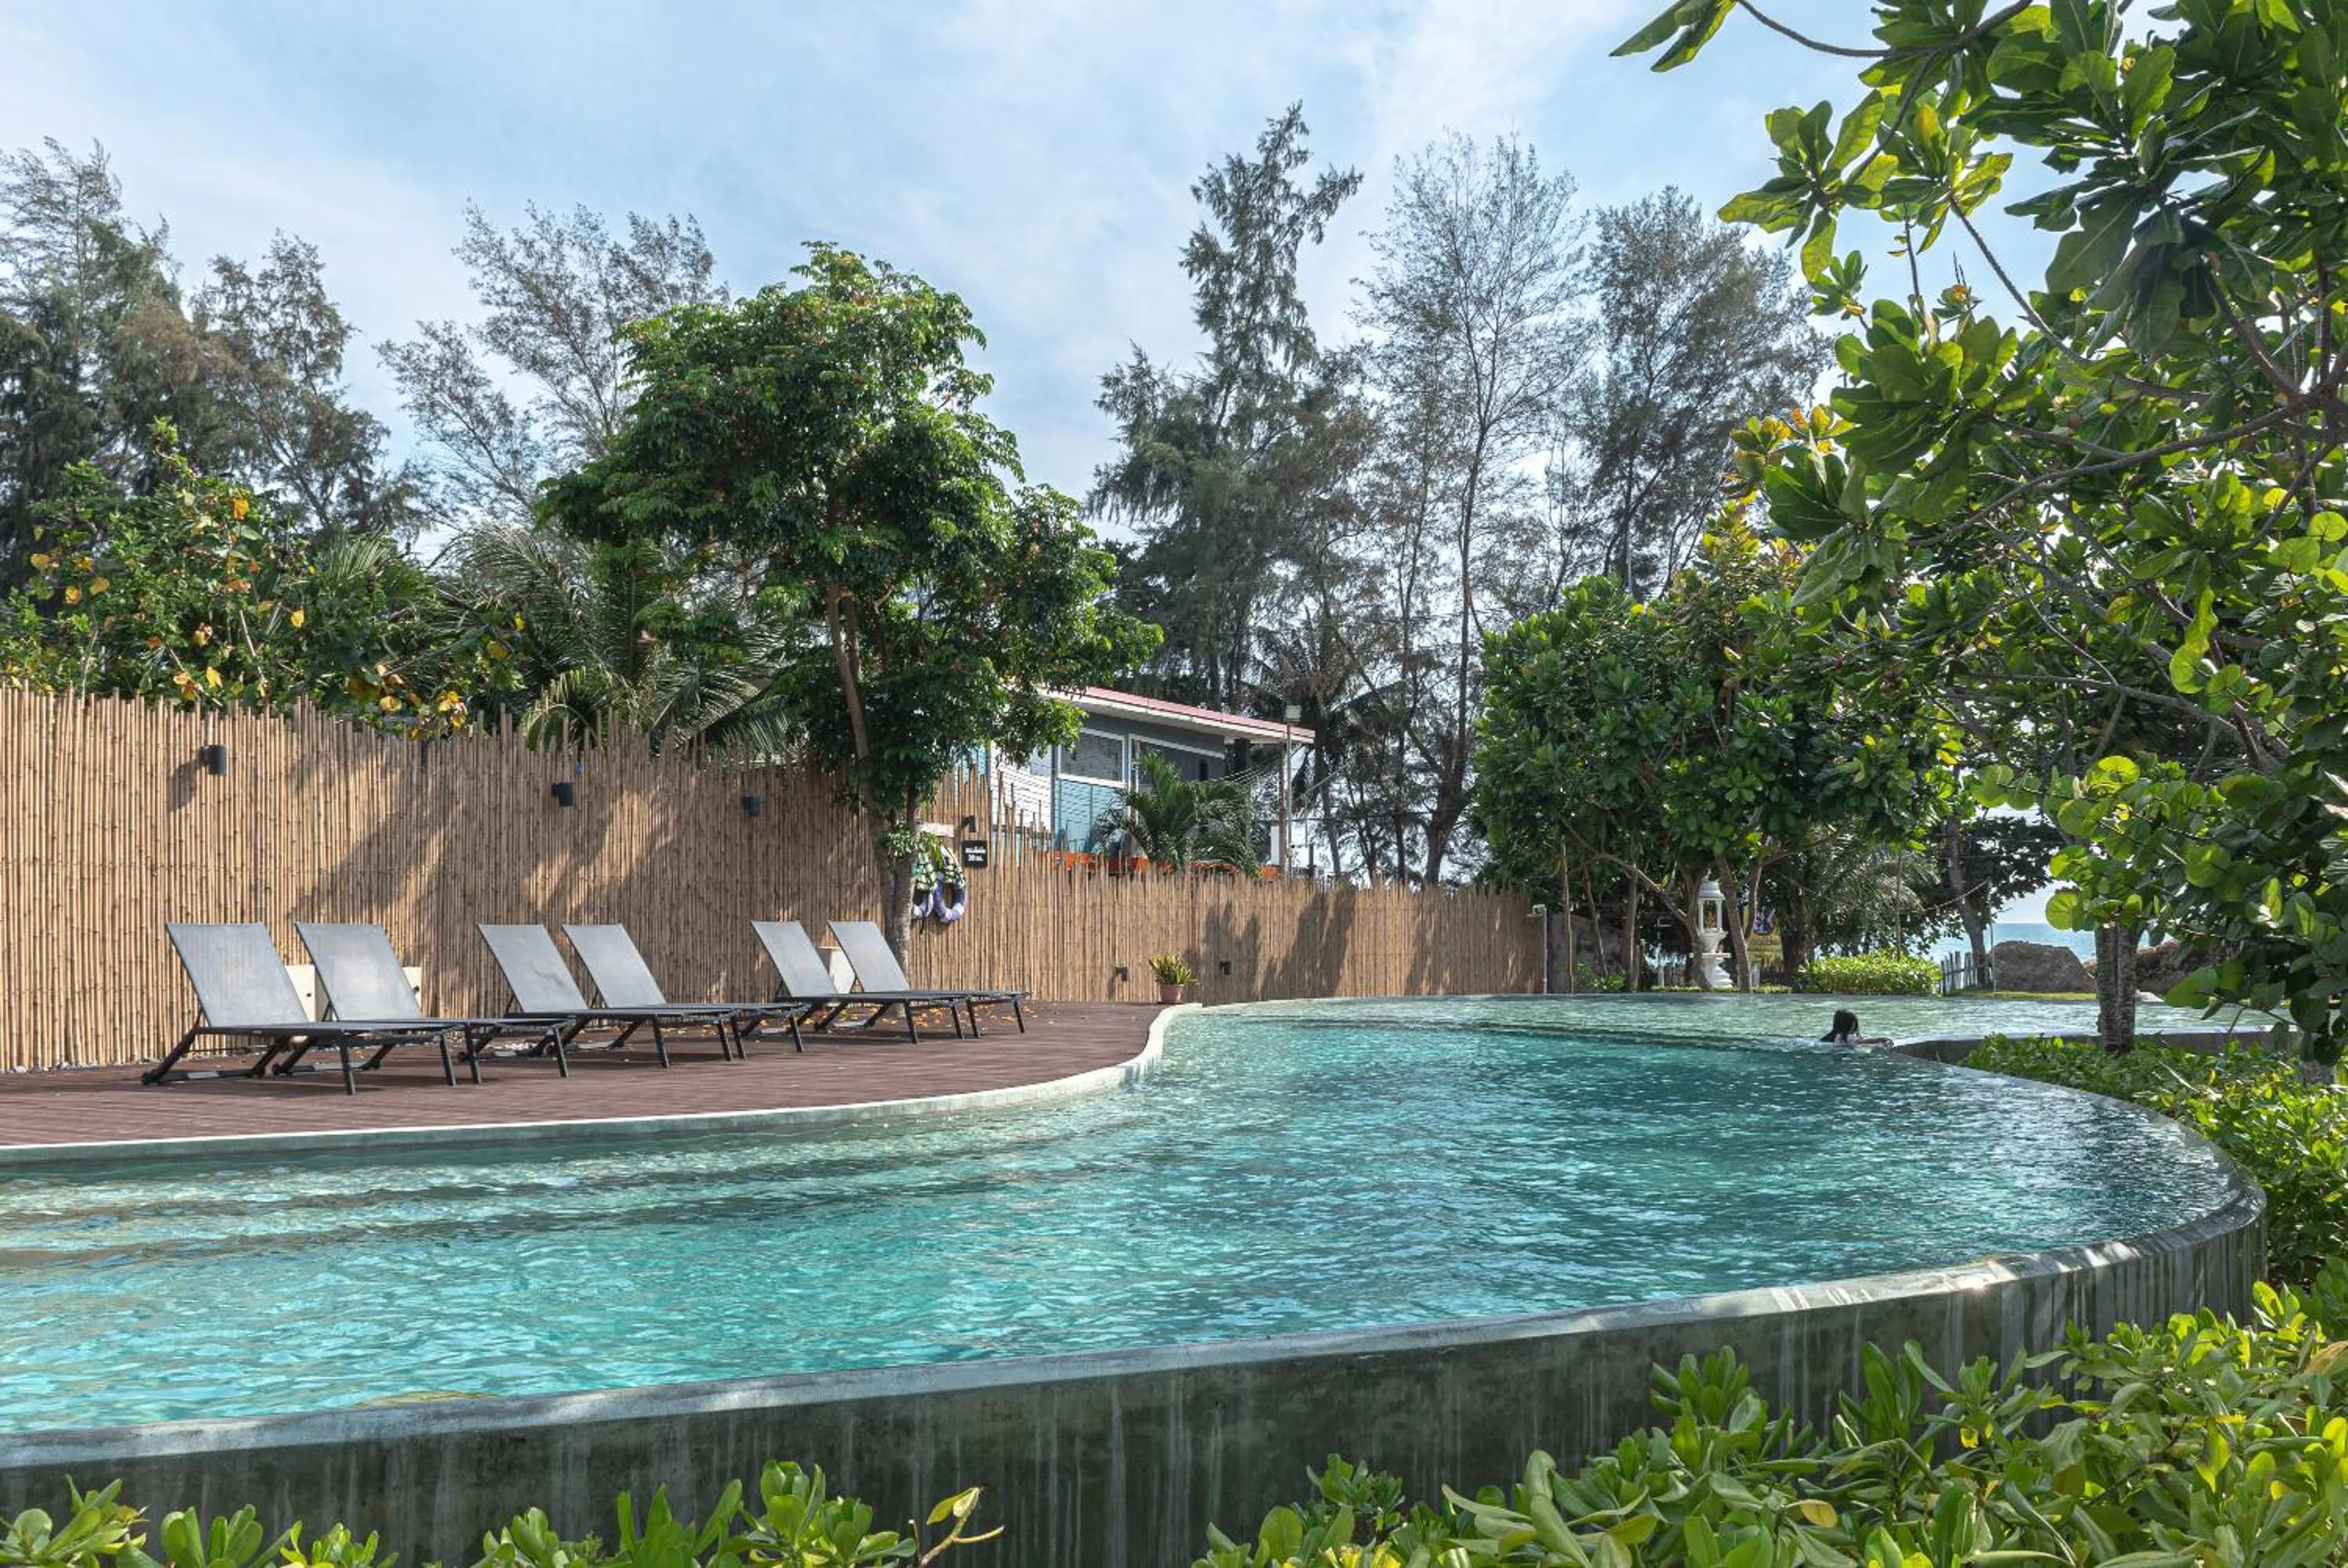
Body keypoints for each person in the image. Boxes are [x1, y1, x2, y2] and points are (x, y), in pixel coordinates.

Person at [1820, 1009, 1890, 1047]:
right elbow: (1862, 1042)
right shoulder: (1847, 1038)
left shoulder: (1831, 1037)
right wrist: (1882, 1040)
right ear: (1852, 1024)